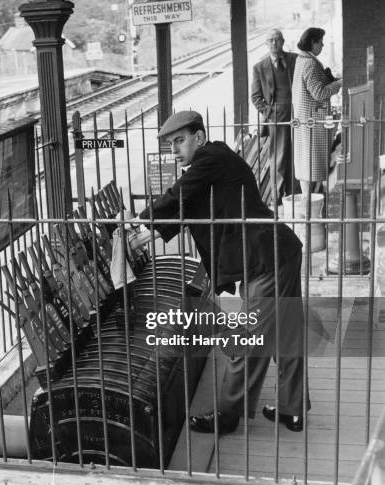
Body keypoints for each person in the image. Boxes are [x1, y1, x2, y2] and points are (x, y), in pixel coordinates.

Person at [130, 111, 309, 434]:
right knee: (284, 333)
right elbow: (188, 207)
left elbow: (179, 194)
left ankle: (228, 414)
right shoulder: (214, 164)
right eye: (171, 143)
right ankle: (291, 409)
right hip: (277, 252)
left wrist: (140, 222)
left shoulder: (211, 156)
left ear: (199, 137)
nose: (174, 150)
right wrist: (148, 234)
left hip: (266, 259)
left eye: (179, 141)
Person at [251, 28, 299, 204]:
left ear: (283, 41)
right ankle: (276, 199)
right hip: (276, 116)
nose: (274, 43)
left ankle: (294, 194)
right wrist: (270, 113)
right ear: (266, 43)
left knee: (296, 155)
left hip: (296, 114)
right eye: (270, 40)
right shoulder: (259, 67)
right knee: (279, 157)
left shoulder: (294, 59)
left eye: (277, 39)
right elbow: (256, 97)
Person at [292, 27, 342, 195]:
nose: (322, 45)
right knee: (312, 164)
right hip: (312, 121)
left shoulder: (302, 60)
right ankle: (312, 204)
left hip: (306, 119)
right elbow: (319, 93)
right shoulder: (310, 64)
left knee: (306, 164)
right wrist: (339, 84)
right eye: (320, 42)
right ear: (312, 43)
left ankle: (309, 202)